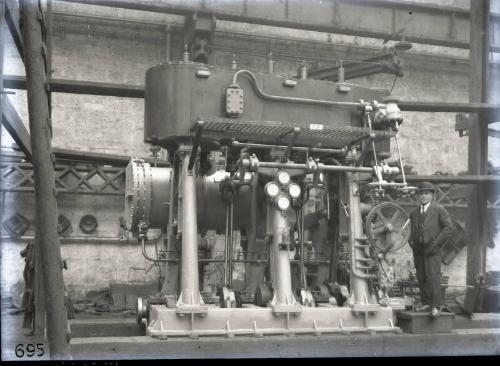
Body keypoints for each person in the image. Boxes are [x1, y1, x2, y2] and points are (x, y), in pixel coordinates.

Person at [409, 181, 453, 317]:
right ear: (418, 196)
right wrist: (412, 243)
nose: (423, 196)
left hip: (433, 251)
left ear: (432, 195)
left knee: (433, 277)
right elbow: (411, 232)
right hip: (418, 251)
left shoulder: (439, 209)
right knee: (421, 277)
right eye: (421, 193)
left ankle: (435, 306)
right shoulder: (414, 212)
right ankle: (426, 303)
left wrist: (436, 244)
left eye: (426, 193)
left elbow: (448, 228)